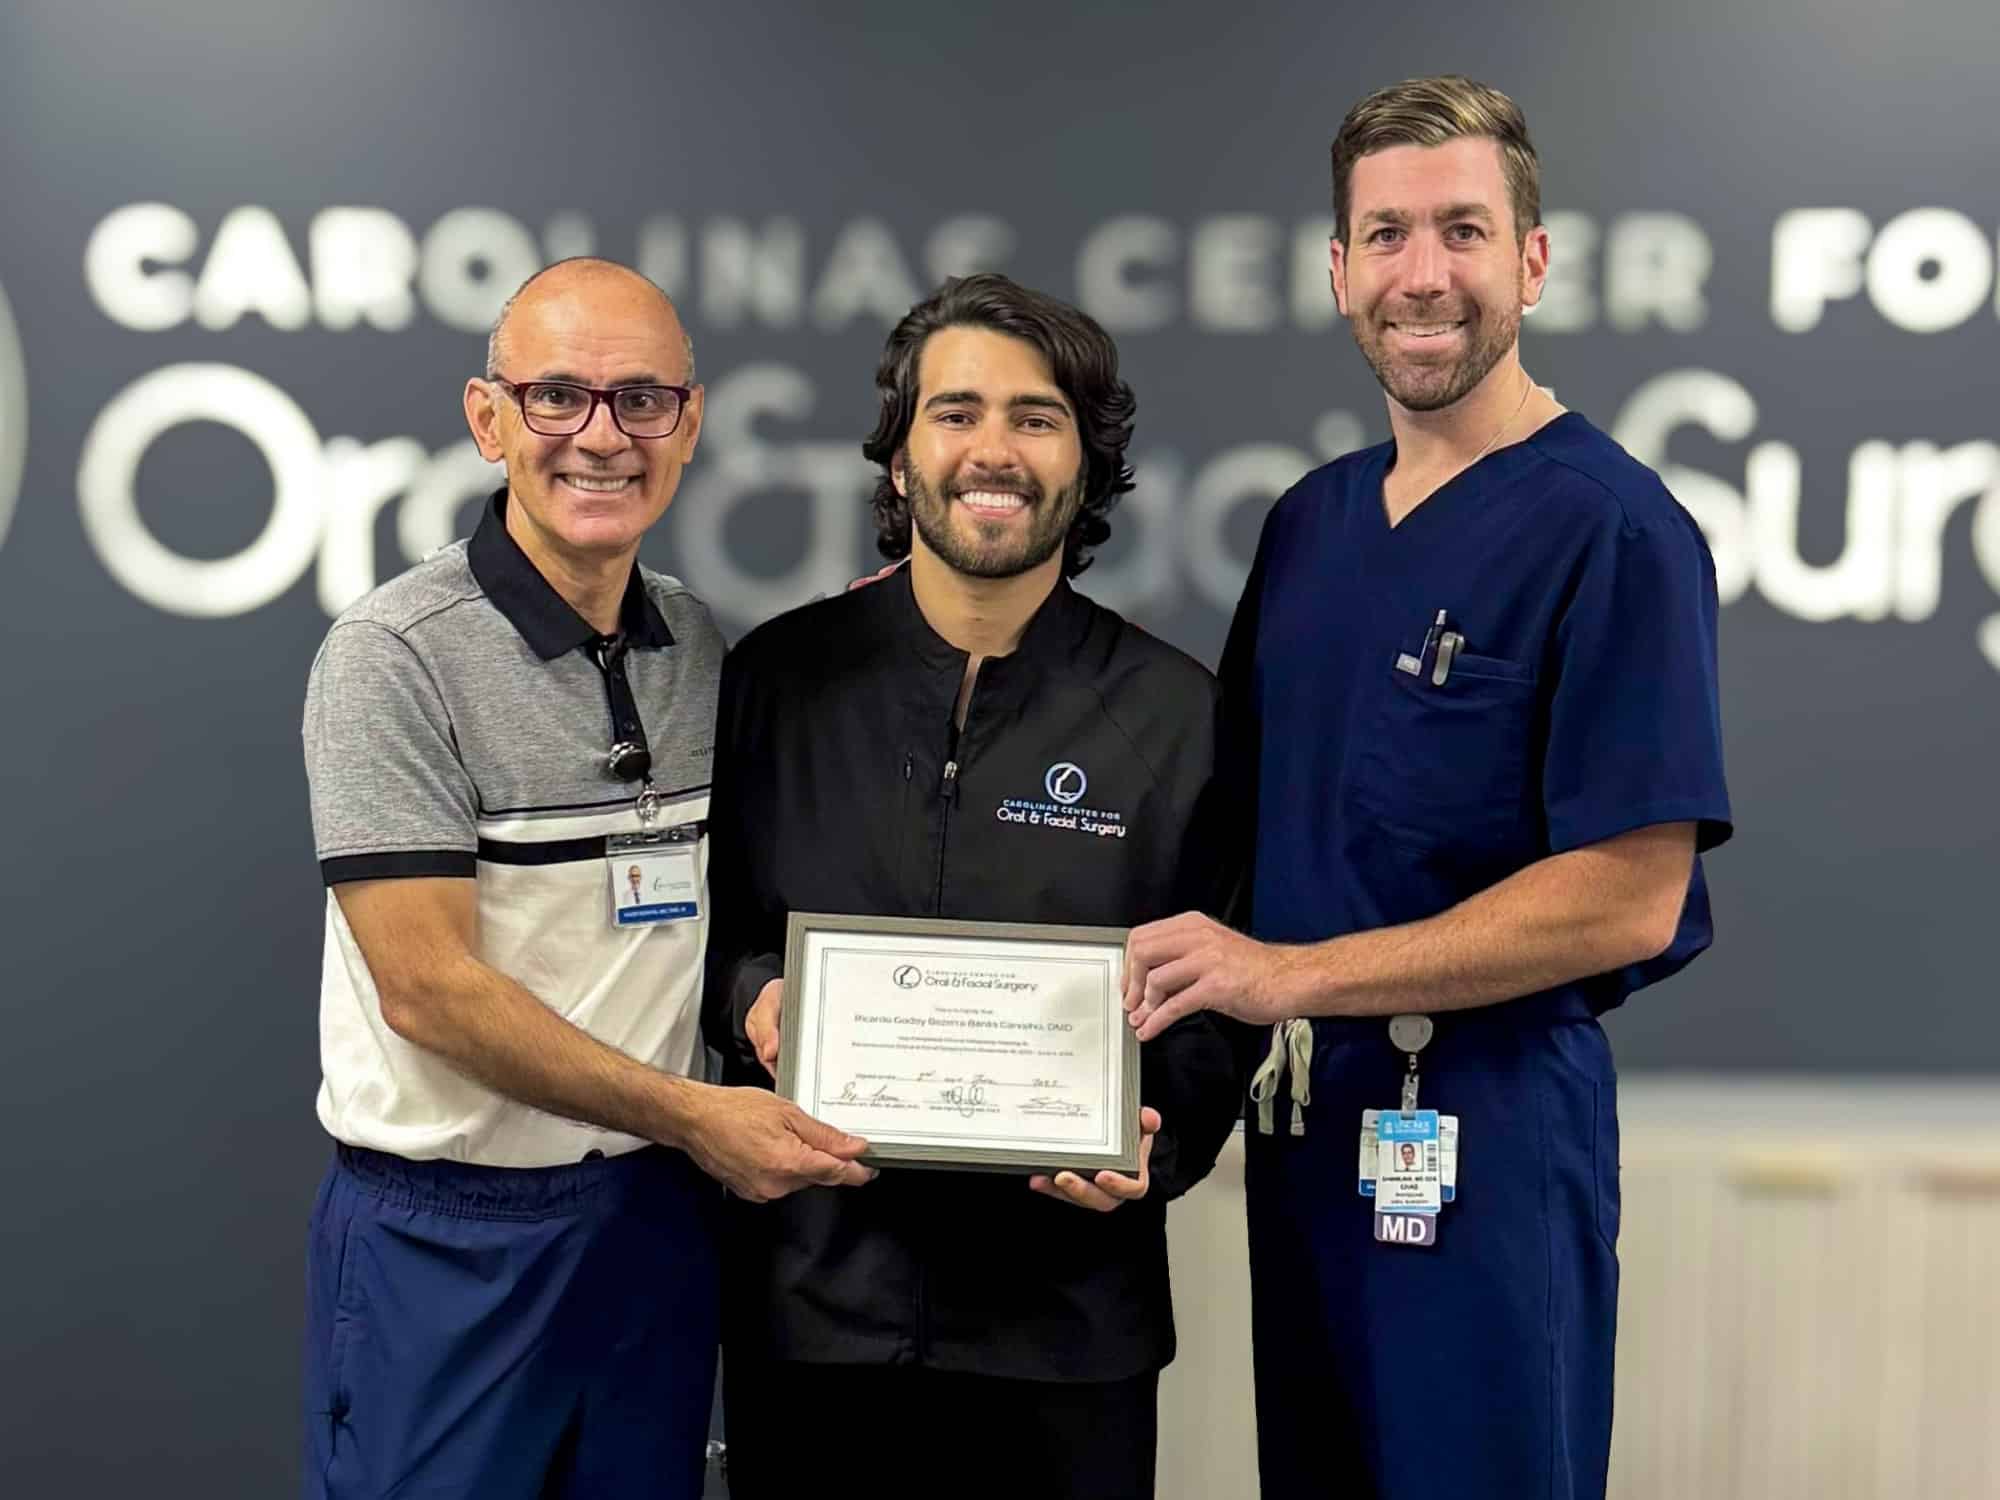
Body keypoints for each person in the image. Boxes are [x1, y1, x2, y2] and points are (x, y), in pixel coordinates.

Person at [1122, 77, 1733, 1499]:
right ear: (1338, 271)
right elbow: (1236, 832)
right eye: (1387, 235)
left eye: (1463, 231)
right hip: (1306, 1131)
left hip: (1491, 1133)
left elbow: (1630, 900)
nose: (1423, 275)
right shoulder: (1311, 525)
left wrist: (1291, 975)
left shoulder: (1615, 530)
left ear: (1532, 260)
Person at [299, 258, 872, 1500]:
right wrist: (693, 1116)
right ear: (487, 417)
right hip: (449, 1242)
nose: (601, 437)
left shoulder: (698, 646)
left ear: (690, 423)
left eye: (641, 400)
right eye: (556, 395)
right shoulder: (391, 657)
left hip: (653, 1231)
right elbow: (427, 989)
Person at [703, 272, 1249, 1500]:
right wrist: (751, 999)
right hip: (810, 1314)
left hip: (1065, 1333)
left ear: (1084, 463)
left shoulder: (1173, 713)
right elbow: (702, 936)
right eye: (954, 412)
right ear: (899, 456)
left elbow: (1216, 1004)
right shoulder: (777, 681)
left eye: (1035, 417)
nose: (991, 450)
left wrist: (1158, 1141)